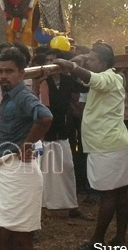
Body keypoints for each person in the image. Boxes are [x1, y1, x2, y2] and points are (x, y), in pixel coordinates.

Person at [53, 43, 128, 250]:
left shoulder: (109, 77)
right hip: (112, 144)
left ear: (103, 62)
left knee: (110, 194)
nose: (88, 61)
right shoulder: (112, 77)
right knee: (119, 193)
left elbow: (92, 78)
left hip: (107, 146)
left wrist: (72, 67)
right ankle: (119, 238)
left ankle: (97, 241)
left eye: (92, 59)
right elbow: (88, 78)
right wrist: (79, 63)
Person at [0, 48, 53, 250]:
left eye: (9, 71)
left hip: (18, 171)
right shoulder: (13, 96)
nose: (3, 76)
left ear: (21, 73)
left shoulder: (22, 95)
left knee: (19, 238)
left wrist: (26, 145)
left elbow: (45, 117)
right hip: (7, 169)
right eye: (0, 71)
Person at [34, 50, 90, 218]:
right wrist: (38, 84)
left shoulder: (68, 80)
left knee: (67, 168)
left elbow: (85, 86)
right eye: (48, 60)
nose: (52, 64)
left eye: (55, 60)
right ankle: (38, 208)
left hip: (63, 130)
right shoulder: (41, 81)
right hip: (43, 131)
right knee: (41, 171)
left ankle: (72, 205)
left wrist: (80, 65)